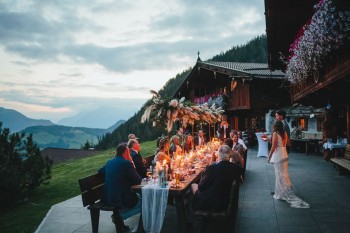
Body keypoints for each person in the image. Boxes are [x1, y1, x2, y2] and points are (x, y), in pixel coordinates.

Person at [98, 143, 143, 228]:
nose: (130, 154)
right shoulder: (126, 163)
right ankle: (120, 217)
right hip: (120, 197)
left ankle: (119, 221)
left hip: (108, 196)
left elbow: (100, 171)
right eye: (129, 153)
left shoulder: (109, 162)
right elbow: (138, 180)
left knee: (139, 197)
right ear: (126, 152)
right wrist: (131, 163)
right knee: (145, 202)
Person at [267, 121, 310, 208]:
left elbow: (273, 147)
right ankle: (282, 191)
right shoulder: (285, 133)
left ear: (275, 126)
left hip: (278, 154)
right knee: (284, 173)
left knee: (279, 174)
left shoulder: (275, 133)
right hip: (284, 153)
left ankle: (280, 194)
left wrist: (269, 156)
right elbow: (289, 144)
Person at [191, 145, 242, 211]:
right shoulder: (236, 168)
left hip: (214, 203)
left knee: (193, 185)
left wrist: (203, 176)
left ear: (218, 155)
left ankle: (192, 215)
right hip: (227, 199)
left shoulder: (211, 168)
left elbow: (201, 187)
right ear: (229, 155)